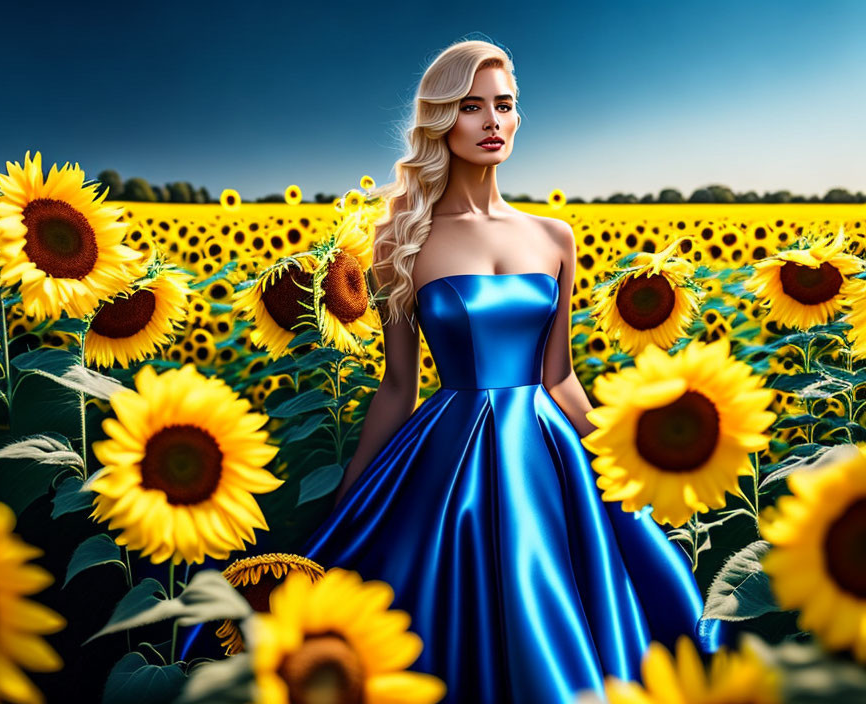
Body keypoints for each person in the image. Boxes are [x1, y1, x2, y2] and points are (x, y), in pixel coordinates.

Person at [296, 39, 727, 703]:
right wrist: (349, 496)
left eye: (505, 105)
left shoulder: (555, 237)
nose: (493, 121)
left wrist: (627, 461)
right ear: (442, 120)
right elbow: (397, 387)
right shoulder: (399, 239)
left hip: (550, 454)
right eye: (472, 107)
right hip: (448, 457)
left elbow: (560, 378)